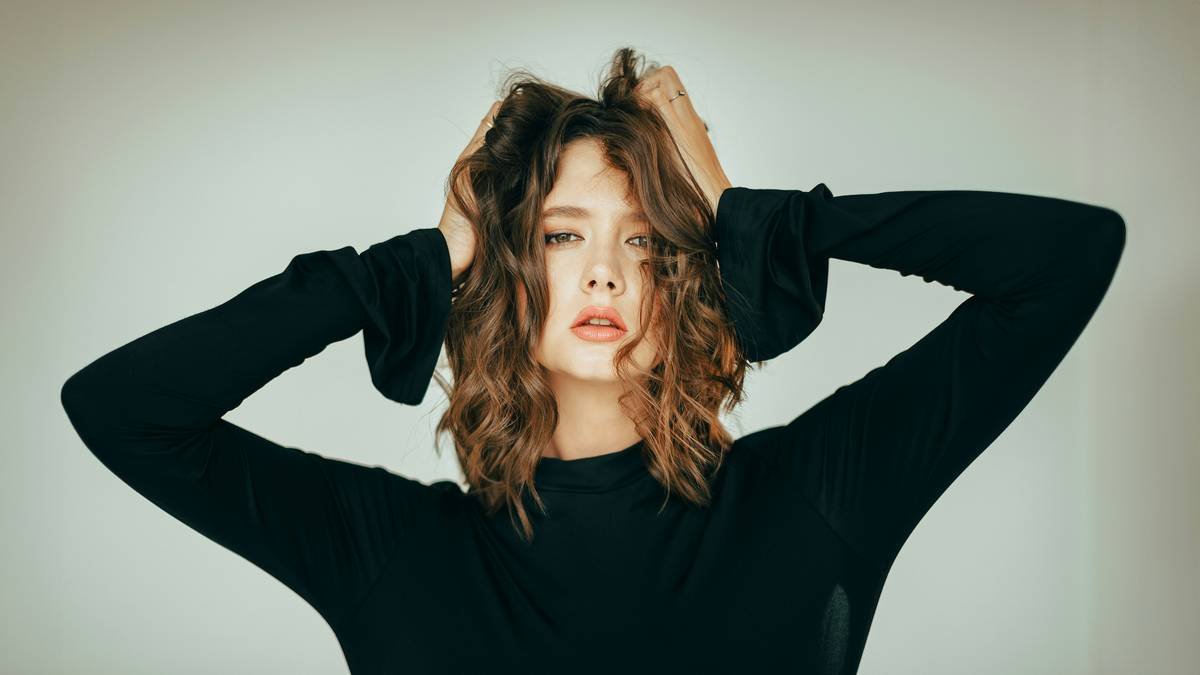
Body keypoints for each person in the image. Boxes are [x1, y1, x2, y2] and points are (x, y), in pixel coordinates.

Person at [60, 47, 1125, 674]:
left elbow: (1067, 258)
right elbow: (119, 407)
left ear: (691, 273)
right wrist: (419, 263)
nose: (607, 274)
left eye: (649, 242)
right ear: (508, 267)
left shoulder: (818, 496)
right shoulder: (385, 549)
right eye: (564, 235)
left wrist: (755, 215)